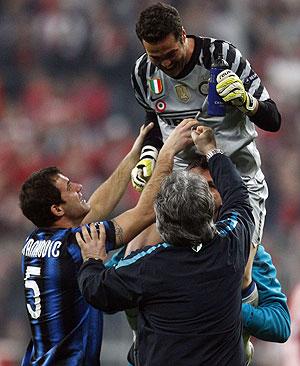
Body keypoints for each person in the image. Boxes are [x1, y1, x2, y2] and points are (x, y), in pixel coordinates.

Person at [130, 1, 281, 291]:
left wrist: (248, 103)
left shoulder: (221, 56)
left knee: (238, 277)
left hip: (236, 179)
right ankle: (153, 336)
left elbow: (273, 119)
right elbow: (153, 122)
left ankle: (239, 336)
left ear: (183, 34)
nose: (165, 64)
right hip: (183, 184)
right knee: (143, 257)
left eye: (171, 54)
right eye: (155, 56)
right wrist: (148, 158)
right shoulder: (142, 72)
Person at [20, 119, 196, 366]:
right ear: (57, 209)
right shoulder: (74, 245)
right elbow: (145, 212)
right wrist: (168, 151)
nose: (79, 186)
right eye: (70, 187)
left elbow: (96, 207)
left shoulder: (35, 241)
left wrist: (134, 156)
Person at [77, 125, 255, 365]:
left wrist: (92, 259)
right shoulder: (230, 245)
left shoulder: (148, 266)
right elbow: (240, 198)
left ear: (161, 219)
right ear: (209, 210)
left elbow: (98, 290)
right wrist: (212, 151)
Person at [119, 157, 290, 365]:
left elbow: (280, 324)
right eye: (194, 185)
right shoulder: (151, 243)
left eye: (210, 186)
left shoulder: (245, 250)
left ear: (224, 195)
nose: (202, 193)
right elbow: (110, 282)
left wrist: (226, 306)